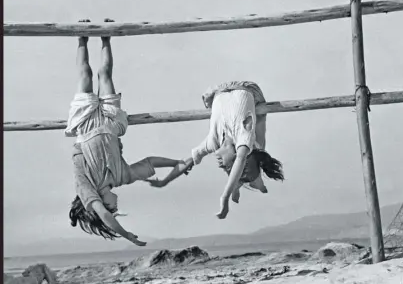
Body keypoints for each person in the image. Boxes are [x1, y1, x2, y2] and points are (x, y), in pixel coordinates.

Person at [66, 19, 192, 247]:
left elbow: (103, 216)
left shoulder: (87, 190)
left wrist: (126, 235)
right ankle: (106, 38)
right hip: (111, 122)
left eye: (112, 208)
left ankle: (81, 38)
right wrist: (177, 162)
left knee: (85, 76)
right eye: (115, 209)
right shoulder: (122, 177)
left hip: (85, 125)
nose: (116, 205)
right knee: (105, 75)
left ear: (100, 204)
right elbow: (150, 161)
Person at [146, 81, 284, 219]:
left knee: (253, 153)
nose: (220, 164)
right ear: (235, 155)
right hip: (247, 88)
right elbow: (241, 159)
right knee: (258, 142)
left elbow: (187, 161)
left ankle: (240, 184)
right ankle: (241, 184)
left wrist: (165, 181)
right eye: (226, 166)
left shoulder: (212, 142)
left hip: (219, 92)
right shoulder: (243, 139)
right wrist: (225, 197)